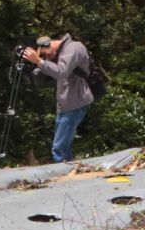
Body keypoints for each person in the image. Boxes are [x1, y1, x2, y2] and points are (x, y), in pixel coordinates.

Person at [20, 32, 92, 162]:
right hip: (65, 106)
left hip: (75, 103)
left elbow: (61, 72)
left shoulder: (73, 48)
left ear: (49, 44)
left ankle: (66, 176)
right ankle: (69, 172)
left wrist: (39, 61)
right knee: (61, 146)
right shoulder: (56, 54)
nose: (45, 57)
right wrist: (29, 71)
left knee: (59, 148)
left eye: (44, 54)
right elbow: (40, 76)